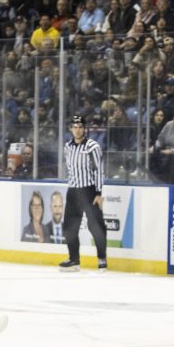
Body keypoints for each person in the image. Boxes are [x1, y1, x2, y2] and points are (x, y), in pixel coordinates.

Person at [60, 115, 107, 272]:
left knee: (96, 226)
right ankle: (74, 260)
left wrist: (98, 192)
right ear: (70, 129)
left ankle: (102, 259)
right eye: (75, 126)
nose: (77, 129)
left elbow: (99, 171)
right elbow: (70, 169)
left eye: (80, 126)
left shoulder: (92, 147)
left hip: (89, 191)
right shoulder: (67, 147)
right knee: (69, 227)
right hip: (73, 191)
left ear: (84, 128)